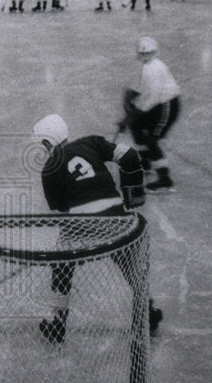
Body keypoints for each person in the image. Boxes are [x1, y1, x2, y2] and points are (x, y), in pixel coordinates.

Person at [32, 113, 161, 343]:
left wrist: (75, 243)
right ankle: (148, 314)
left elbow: (61, 213)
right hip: (116, 217)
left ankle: (58, 323)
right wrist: (132, 197)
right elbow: (130, 156)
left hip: (81, 224)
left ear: (47, 143)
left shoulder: (49, 168)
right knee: (132, 267)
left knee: (61, 267)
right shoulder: (91, 142)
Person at [122, 37, 181, 192]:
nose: (144, 56)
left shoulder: (155, 68)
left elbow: (153, 97)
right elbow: (143, 89)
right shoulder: (148, 67)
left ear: (153, 53)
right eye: (143, 53)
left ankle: (165, 180)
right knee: (136, 127)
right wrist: (132, 106)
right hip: (157, 105)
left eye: (147, 53)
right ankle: (146, 164)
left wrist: (136, 112)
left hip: (166, 106)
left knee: (151, 141)